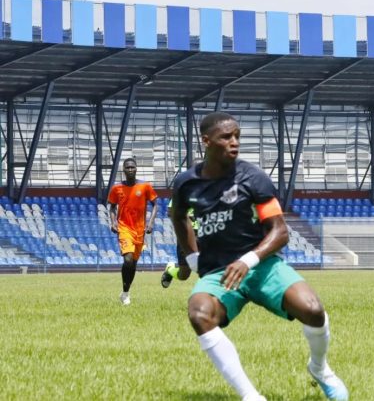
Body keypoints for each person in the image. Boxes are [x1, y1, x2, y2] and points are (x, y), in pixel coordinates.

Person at [170, 112, 348, 401]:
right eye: (226, 137)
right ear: (206, 141)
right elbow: (178, 217)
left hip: (261, 264)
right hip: (219, 272)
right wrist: (192, 259)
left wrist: (247, 260)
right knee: (199, 313)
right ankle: (250, 396)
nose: (235, 142)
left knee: (313, 309)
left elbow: (280, 232)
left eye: (237, 135)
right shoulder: (186, 183)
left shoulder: (253, 177)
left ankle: (320, 369)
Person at [108, 158, 159, 305]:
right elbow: (112, 207)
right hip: (124, 228)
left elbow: (155, 204)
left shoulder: (145, 186)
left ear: (136, 169)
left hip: (140, 230)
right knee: (128, 259)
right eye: (127, 168)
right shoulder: (116, 188)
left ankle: (125, 292)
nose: (130, 170)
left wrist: (150, 223)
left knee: (133, 264)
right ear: (123, 171)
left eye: (132, 167)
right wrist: (113, 222)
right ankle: (125, 294)